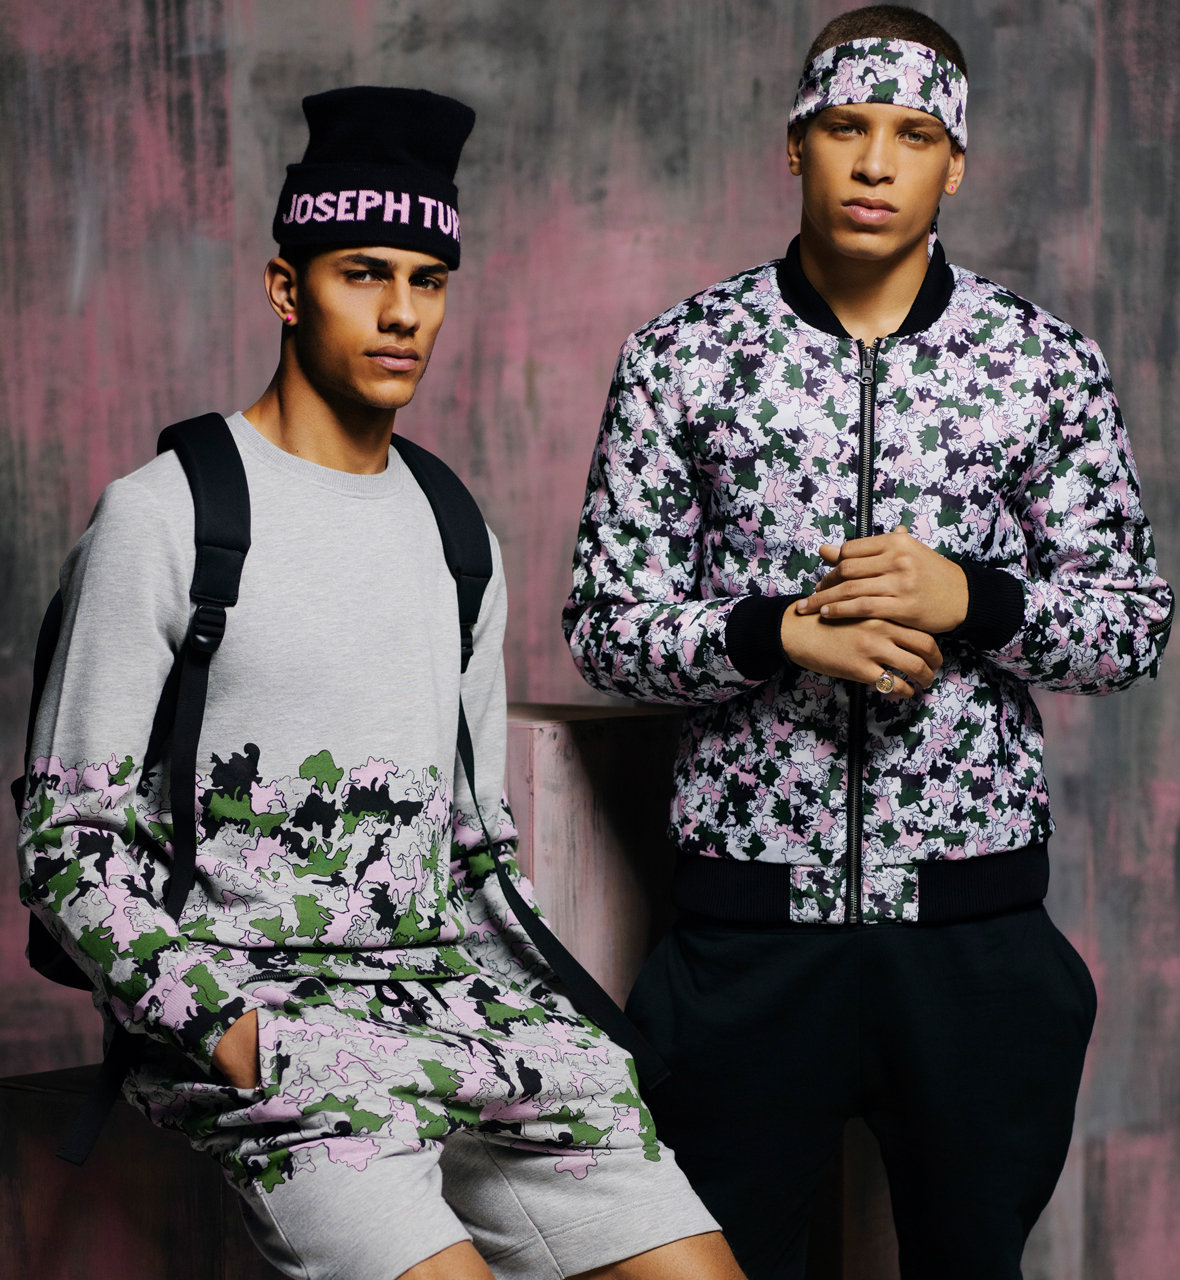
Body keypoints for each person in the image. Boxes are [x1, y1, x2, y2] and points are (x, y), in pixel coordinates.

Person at [18, 86, 747, 1280]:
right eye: (364, 274)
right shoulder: (167, 514)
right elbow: (69, 840)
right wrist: (228, 1032)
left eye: (428, 280)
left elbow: (473, 841)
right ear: (286, 286)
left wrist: (563, 1031)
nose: (403, 312)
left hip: (468, 1016)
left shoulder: (457, 530)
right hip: (277, 1029)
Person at [563, 7, 1173, 1279]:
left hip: (973, 938)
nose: (876, 163)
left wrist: (974, 599)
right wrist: (774, 632)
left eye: (913, 134)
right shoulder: (683, 358)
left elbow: (1128, 626)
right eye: (846, 127)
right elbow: (605, 630)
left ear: (956, 163)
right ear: (796, 145)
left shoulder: (1041, 363)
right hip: (744, 938)